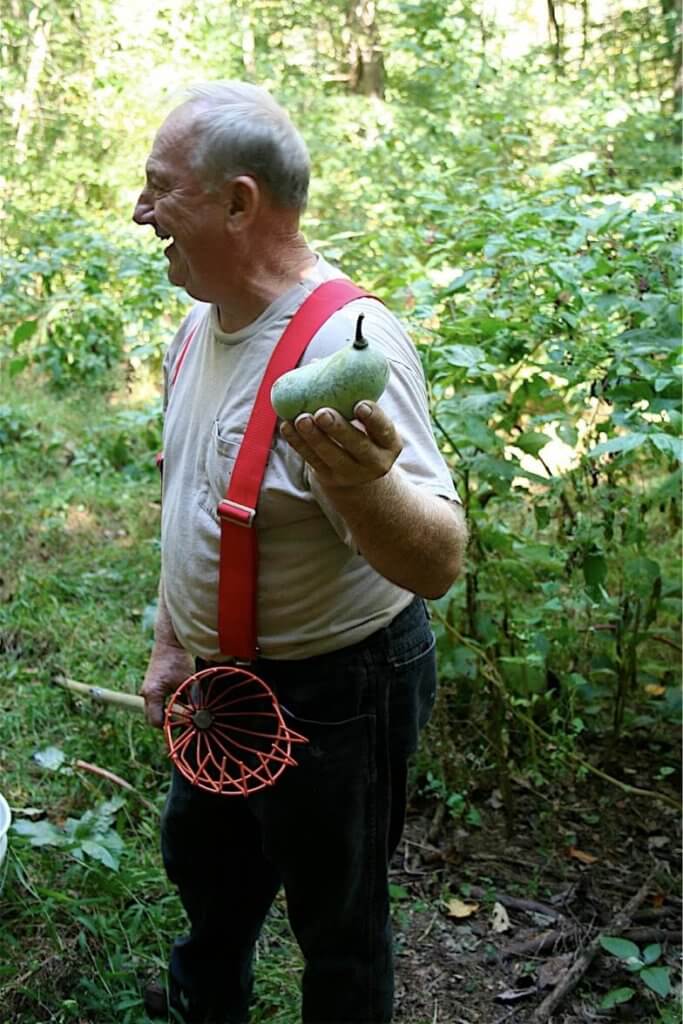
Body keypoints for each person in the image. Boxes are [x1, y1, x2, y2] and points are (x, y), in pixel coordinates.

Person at [133, 81, 467, 1024]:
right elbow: (190, 501)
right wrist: (172, 645)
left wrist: (365, 484)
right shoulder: (195, 330)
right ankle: (209, 1001)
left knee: (340, 924)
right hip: (218, 681)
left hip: (339, 690)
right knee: (207, 873)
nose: (140, 211)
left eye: (160, 190)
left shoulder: (349, 345)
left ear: (240, 203)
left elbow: (438, 563)